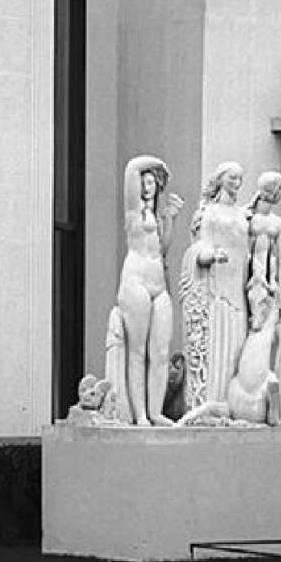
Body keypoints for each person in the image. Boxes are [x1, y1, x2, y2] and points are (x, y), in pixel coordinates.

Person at [100, 155, 181, 424]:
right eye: (144, 183)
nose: (147, 188)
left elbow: (163, 250)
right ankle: (140, 414)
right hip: (135, 280)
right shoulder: (133, 211)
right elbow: (131, 166)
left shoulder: (156, 217)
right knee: (137, 351)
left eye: (151, 183)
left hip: (158, 283)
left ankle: (156, 411)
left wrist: (169, 219)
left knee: (159, 352)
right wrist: (159, 164)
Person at [176, 162, 249, 415]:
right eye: (232, 178)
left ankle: (236, 404)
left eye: (240, 179)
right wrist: (211, 255)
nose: (237, 183)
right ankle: (211, 404)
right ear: (220, 180)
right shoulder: (209, 212)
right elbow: (198, 248)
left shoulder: (242, 214)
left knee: (237, 347)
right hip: (216, 292)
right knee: (217, 348)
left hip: (239, 293)